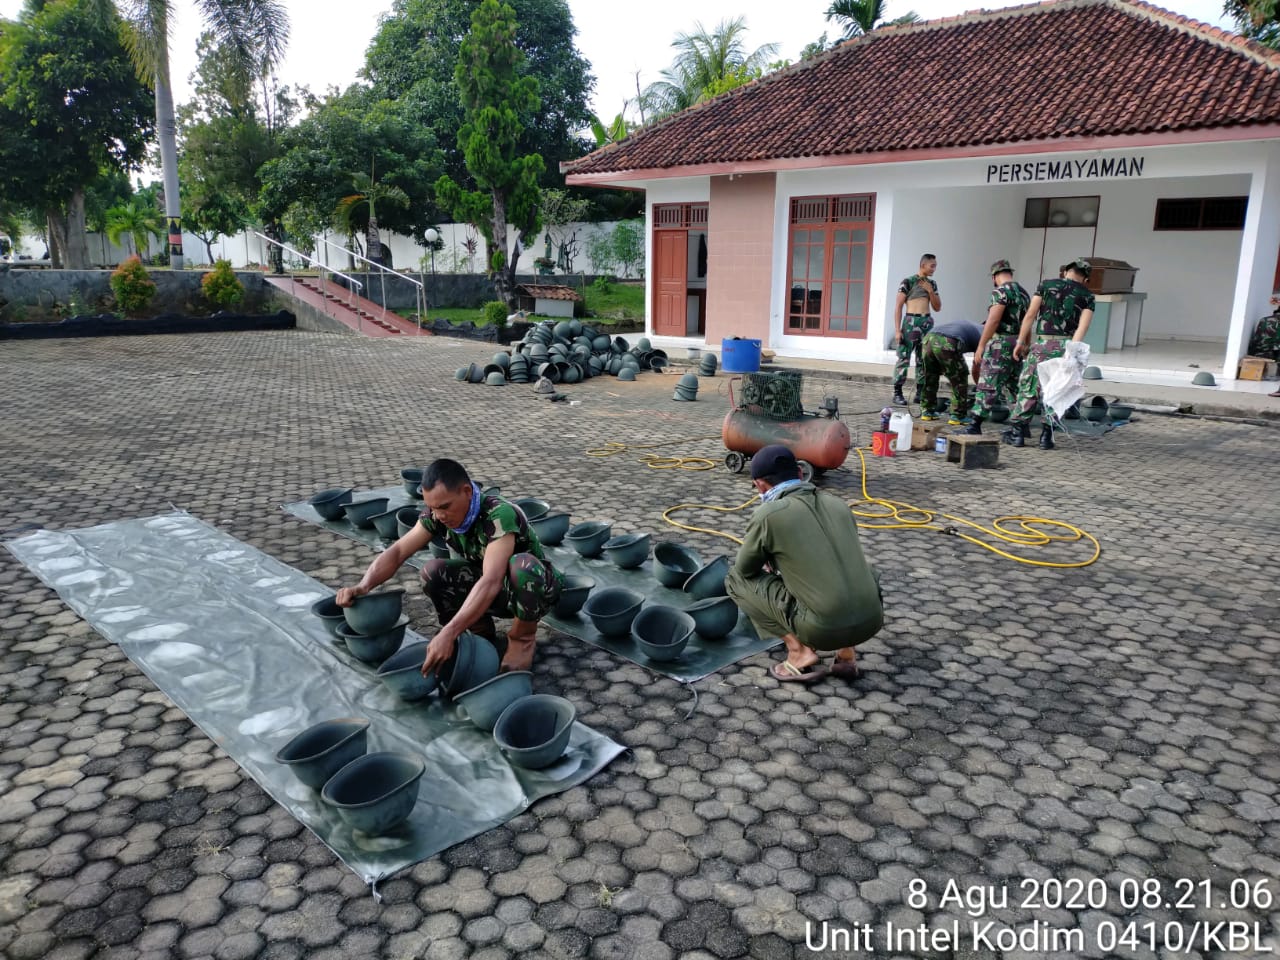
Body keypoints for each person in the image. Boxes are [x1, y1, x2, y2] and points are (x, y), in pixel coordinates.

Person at [336, 458, 563, 675]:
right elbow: (397, 552)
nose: (439, 515)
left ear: (466, 492)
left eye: (444, 506)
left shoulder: (498, 514)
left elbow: (491, 580)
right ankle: (478, 632)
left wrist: (448, 631)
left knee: (521, 565)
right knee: (433, 572)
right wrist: (364, 586)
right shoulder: (437, 514)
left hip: (532, 590)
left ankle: (522, 639)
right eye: (432, 508)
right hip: (492, 588)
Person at [725, 445, 883, 684]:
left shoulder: (769, 514)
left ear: (760, 485)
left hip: (822, 630)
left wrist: (772, 560)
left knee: (735, 580)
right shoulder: (838, 504)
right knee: (860, 571)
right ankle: (846, 653)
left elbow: (745, 569)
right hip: (871, 621)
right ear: (800, 473)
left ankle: (799, 653)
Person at [1004, 258, 1095, 450]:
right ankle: (1046, 436)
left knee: (1030, 386)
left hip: (1043, 344)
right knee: (1057, 388)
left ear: (1065, 271)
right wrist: (1071, 351)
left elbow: (1030, 315)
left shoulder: (1046, 285)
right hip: (1066, 346)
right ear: (1085, 279)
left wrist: (1020, 342)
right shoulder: (1087, 295)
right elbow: (1082, 327)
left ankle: (1018, 433)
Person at [966, 259, 1031, 435]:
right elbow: (1028, 321)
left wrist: (981, 346)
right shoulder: (1024, 294)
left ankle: (975, 424)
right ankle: (1021, 426)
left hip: (1000, 344)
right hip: (1017, 342)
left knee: (988, 383)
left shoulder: (1000, 292)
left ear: (994, 277)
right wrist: (1026, 344)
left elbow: (993, 320)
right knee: (1014, 386)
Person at [892, 254, 942, 406]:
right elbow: (898, 306)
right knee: (904, 358)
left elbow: (938, 307)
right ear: (923, 265)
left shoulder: (932, 284)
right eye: (932, 266)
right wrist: (897, 330)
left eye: (935, 266)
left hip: (926, 322)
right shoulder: (908, 282)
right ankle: (898, 392)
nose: (934, 269)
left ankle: (920, 393)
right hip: (911, 322)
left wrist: (930, 291)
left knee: (924, 359)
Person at [919, 318, 983, 425]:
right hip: (948, 341)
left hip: (928, 339)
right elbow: (976, 367)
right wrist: (980, 387)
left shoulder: (974, 326)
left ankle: (927, 411)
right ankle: (958, 415)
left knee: (930, 376)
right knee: (960, 376)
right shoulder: (985, 336)